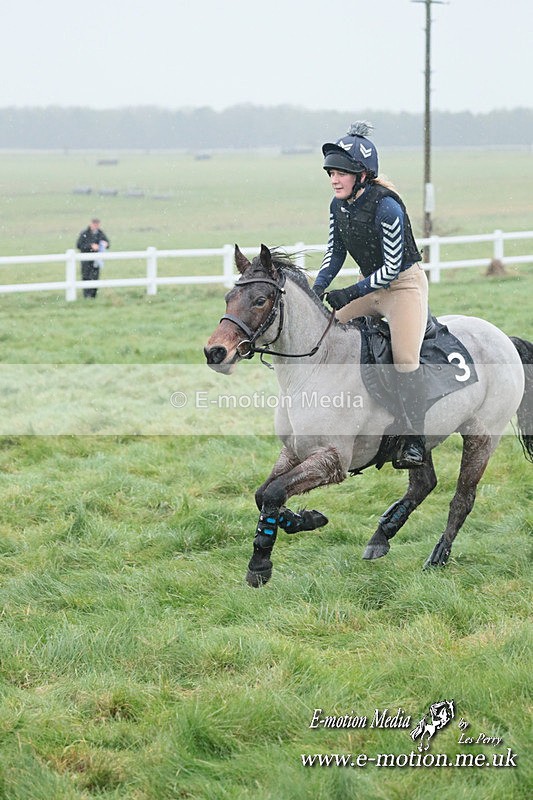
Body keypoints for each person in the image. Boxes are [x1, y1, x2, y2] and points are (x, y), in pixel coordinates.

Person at [313, 122, 428, 469]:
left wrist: (349, 291)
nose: (335, 179)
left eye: (342, 173)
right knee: (328, 333)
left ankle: (414, 440)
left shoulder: (387, 207)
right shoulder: (338, 206)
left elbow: (392, 269)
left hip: (403, 288)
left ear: (362, 174)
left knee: (406, 359)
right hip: (371, 288)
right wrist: (316, 289)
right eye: (331, 172)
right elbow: (335, 255)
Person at [76, 218, 110, 298]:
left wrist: (105, 244)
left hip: (96, 261)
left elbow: (107, 243)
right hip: (86, 260)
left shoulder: (100, 233)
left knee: (95, 277)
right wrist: (90, 246)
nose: (96, 225)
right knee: (86, 277)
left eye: (97, 224)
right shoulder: (85, 233)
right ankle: (86, 295)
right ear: (91, 224)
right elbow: (79, 245)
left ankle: (93, 295)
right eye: (94, 224)